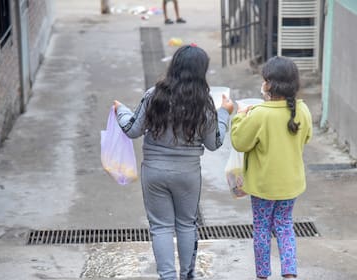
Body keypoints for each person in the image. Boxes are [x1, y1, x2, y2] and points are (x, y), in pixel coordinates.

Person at [113, 45, 234, 280]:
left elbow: (132, 129)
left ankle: (167, 277)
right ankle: (187, 275)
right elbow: (214, 143)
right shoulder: (205, 103)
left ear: (174, 65)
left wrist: (121, 110)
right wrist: (226, 113)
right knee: (187, 225)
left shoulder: (154, 95)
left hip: (155, 172)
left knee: (160, 227)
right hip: (188, 174)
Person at [230, 56, 312, 280]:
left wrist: (237, 118)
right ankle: (290, 275)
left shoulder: (259, 114)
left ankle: (263, 275)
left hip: (264, 186)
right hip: (291, 184)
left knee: (262, 229)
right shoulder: (302, 110)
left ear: (268, 84)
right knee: (285, 226)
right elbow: (306, 137)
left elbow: (239, 142)